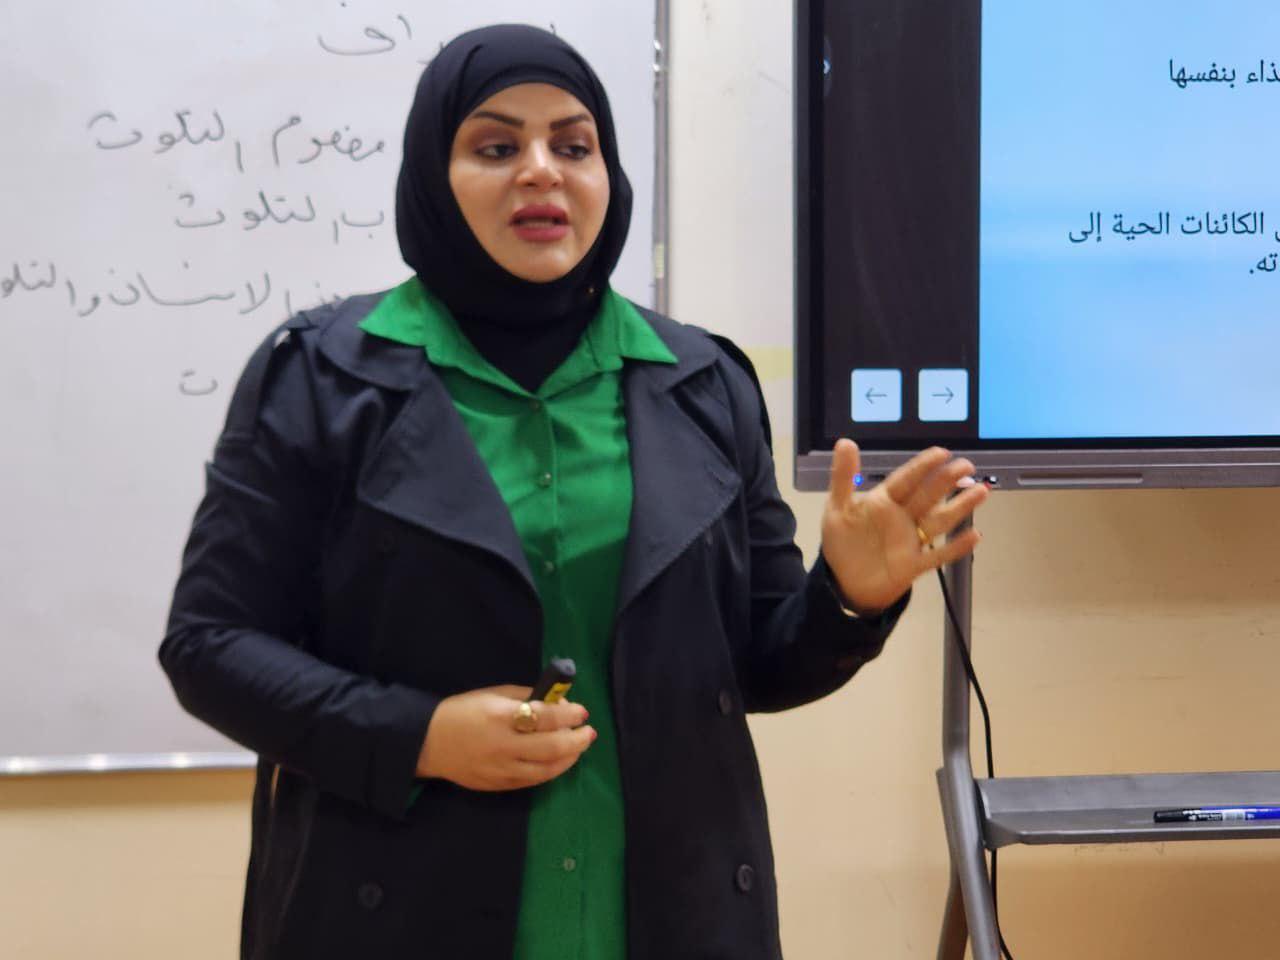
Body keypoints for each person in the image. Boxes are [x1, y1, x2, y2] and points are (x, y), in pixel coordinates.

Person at [160, 23, 986, 960]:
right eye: (496, 147)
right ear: (433, 174)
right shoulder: (318, 377)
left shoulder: (702, 382)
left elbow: (756, 665)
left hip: (675, 924)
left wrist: (847, 597)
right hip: (391, 913)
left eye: (573, 144)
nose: (541, 172)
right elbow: (209, 646)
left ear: (607, 173)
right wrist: (419, 735)